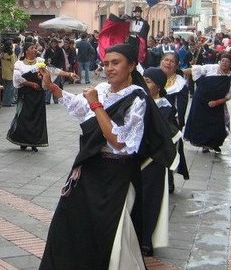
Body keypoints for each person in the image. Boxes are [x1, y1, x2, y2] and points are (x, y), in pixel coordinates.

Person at [38, 43, 177, 269]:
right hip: (90, 169)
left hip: (116, 176)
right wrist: (53, 87)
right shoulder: (102, 88)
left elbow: (119, 141)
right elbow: (80, 107)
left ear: (131, 65)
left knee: (112, 234)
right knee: (69, 224)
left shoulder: (138, 99)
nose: (109, 68)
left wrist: (96, 104)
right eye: (105, 63)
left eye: (116, 63)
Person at [7, 42, 78, 152]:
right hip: (25, 95)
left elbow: (53, 70)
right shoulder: (19, 64)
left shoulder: (40, 62)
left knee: (37, 118)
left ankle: (35, 142)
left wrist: (69, 74)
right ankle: (23, 141)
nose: (35, 50)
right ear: (26, 51)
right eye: (32, 48)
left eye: (35, 48)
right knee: (23, 117)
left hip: (38, 95)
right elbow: (17, 79)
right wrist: (30, 84)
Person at [141, 67, 179, 257]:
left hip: (153, 162)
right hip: (134, 160)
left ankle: (146, 239)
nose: (144, 84)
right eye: (143, 80)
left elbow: (163, 135)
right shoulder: (137, 101)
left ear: (158, 86)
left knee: (150, 200)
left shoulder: (165, 107)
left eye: (148, 81)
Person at [183, 54, 231, 153]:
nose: (224, 63)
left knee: (217, 127)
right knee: (202, 124)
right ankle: (204, 145)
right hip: (201, 101)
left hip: (216, 105)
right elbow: (195, 70)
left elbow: (228, 96)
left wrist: (216, 102)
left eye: (227, 62)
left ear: (230, 64)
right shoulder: (211, 68)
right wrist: (178, 72)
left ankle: (215, 144)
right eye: (223, 60)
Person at [159, 52, 190, 191]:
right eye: (166, 59)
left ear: (176, 65)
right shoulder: (151, 77)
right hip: (151, 120)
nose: (168, 63)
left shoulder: (180, 83)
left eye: (172, 61)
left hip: (170, 123)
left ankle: (168, 180)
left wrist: (178, 123)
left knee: (168, 152)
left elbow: (181, 107)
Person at [43, 38, 66, 104]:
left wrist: (61, 67)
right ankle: (47, 100)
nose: (53, 45)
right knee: (49, 84)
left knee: (56, 84)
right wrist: (47, 64)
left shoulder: (60, 50)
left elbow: (62, 59)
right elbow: (45, 59)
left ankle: (56, 99)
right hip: (50, 68)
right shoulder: (48, 50)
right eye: (52, 43)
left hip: (57, 68)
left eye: (55, 43)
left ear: (56, 44)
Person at [1, 39, 17, 107]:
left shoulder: (2, 54)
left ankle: (4, 101)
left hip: (4, 72)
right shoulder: (12, 55)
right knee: (10, 88)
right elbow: (14, 65)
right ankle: (8, 102)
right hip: (10, 72)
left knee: (5, 88)